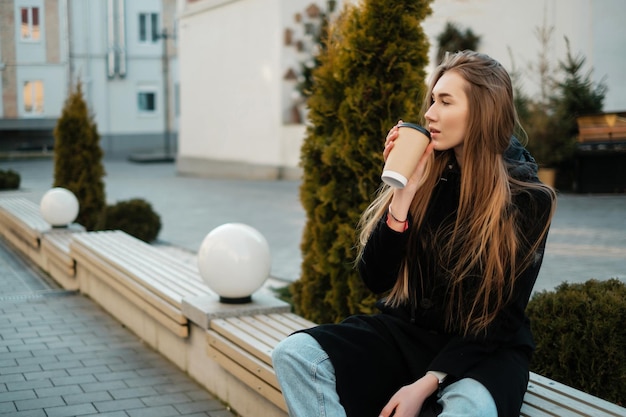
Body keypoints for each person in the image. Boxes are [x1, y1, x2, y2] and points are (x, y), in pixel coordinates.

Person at [272, 50, 557, 417]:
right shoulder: (427, 172)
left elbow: (501, 316)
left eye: (445, 101)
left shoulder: (528, 199)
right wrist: (402, 195)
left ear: (482, 111)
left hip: (482, 348)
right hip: (407, 334)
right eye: (432, 99)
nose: (429, 113)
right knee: (296, 355)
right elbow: (375, 279)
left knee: (467, 407)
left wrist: (426, 382)